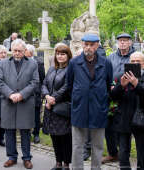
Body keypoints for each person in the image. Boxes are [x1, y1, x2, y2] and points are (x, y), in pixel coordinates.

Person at [67, 34, 113, 170]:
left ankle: (96, 168)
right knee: (77, 145)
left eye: (91, 44)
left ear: (97, 45)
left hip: (98, 109)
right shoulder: (74, 63)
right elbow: (70, 85)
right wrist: (79, 98)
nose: (88, 47)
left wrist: (100, 99)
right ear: (82, 44)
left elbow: (108, 83)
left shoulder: (106, 63)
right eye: (86, 44)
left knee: (98, 145)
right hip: (79, 109)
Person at [0, 39, 39, 169]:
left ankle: (26, 158)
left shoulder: (32, 64)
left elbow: (35, 82)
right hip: (8, 102)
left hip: (25, 102)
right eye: (14, 50)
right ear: (11, 50)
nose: (16, 53)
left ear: (24, 51)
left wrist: (21, 95)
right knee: (9, 131)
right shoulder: (3, 64)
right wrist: (10, 94)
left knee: (25, 131)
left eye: (19, 51)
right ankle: (11, 157)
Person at [102, 33, 135, 164]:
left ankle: (123, 154)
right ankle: (112, 153)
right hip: (112, 95)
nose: (122, 43)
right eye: (120, 41)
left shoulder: (134, 57)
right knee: (107, 125)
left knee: (124, 127)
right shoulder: (110, 57)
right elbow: (106, 74)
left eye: (125, 41)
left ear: (130, 43)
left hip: (127, 96)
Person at [110, 51, 144, 170]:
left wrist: (137, 84)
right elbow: (113, 96)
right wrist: (121, 86)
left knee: (141, 149)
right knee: (123, 149)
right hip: (124, 117)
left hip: (140, 119)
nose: (135, 63)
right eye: (132, 61)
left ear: (143, 63)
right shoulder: (122, 75)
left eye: (138, 61)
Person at [42, 43, 72, 170]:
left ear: (68, 55)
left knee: (65, 137)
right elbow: (44, 84)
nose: (60, 56)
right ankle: (58, 162)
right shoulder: (51, 69)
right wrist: (47, 96)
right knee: (54, 137)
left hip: (62, 109)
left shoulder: (70, 69)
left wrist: (53, 99)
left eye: (63, 54)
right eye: (58, 54)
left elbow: (67, 87)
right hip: (50, 110)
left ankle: (66, 164)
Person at [25, 44, 45, 144]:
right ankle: (27, 133)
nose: (24, 52)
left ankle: (36, 134)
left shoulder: (39, 62)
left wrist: (41, 93)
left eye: (26, 50)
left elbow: (42, 79)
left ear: (31, 52)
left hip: (36, 93)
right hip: (25, 93)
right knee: (26, 114)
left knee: (36, 115)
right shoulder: (23, 61)